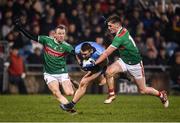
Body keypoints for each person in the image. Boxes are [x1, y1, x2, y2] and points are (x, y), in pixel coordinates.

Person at [85, 15, 169, 107]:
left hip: (135, 64)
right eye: (108, 26)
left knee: (143, 90)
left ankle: (161, 95)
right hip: (124, 61)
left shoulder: (120, 37)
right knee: (108, 72)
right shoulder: (122, 30)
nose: (108, 28)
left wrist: (94, 63)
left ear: (117, 25)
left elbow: (106, 53)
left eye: (110, 26)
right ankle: (112, 94)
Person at [14, 18, 76, 113]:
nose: (61, 35)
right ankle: (70, 110)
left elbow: (76, 55)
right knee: (56, 92)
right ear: (54, 34)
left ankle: (70, 81)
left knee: (70, 93)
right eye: (59, 33)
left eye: (63, 33)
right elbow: (32, 37)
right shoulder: (46, 40)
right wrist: (21, 28)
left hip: (62, 72)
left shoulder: (67, 46)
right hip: (49, 73)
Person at [60, 42, 108, 111]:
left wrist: (95, 64)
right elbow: (77, 54)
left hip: (101, 65)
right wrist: (80, 62)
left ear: (91, 51)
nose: (83, 56)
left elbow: (105, 61)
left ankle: (70, 105)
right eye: (82, 54)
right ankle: (71, 105)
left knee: (84, 82)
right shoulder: (78, 49)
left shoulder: (100, 52)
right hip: (93, 63)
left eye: (85, 54)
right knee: (84, 83)